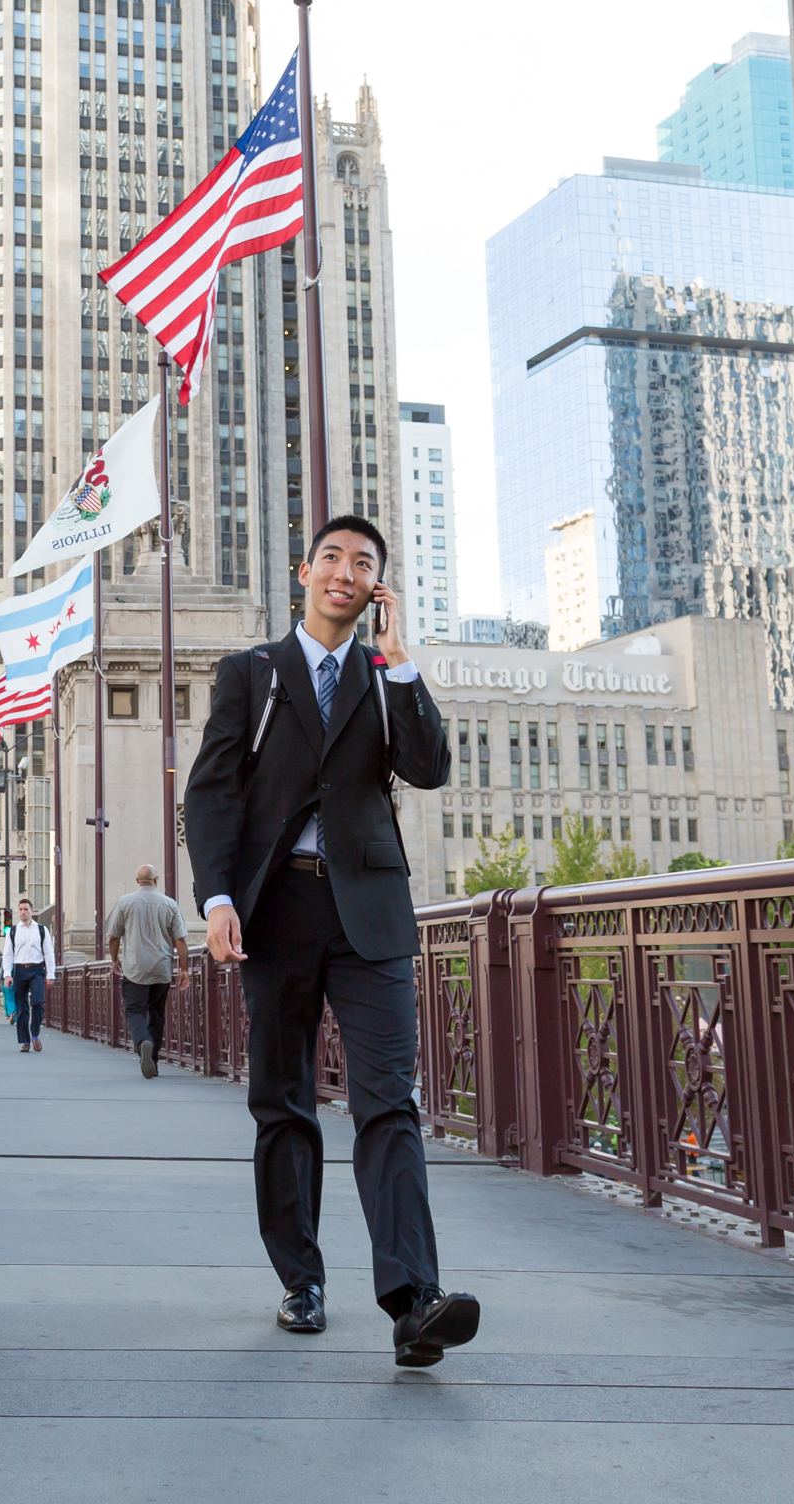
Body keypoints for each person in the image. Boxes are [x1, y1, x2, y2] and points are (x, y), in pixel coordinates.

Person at [184, 515, 479, 1368]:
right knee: (283, 1102)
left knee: (389, 1099)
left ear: (376, 588)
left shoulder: (383, 675)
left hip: (371, 913)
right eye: (333, 560)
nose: (346, 573)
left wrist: (401, 657)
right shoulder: (253, 676)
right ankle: (301, 1280)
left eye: (365, 566)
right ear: (303, 572)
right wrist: (216, 900)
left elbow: (428, 767)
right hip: (273, 914)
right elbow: (212, 796)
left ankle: (413, 1299)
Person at [107, 865, 190, 1079]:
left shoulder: (125, 902)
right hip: (162, 968)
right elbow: (180, 940)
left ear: (137, 880)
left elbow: (113, 937)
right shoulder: (170, 904)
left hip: (135, 968)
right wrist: (184, 969)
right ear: (157, 879)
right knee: (157, 1014)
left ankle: (143, 1042)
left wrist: (114, 960)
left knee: (134, 1011)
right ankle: (152, 1059)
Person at [1, 895, 56, 1053]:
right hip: (19, 970)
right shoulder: (13, 931)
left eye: (26, 909)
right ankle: (24, 1041)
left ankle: (35, 1035)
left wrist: (50, 974)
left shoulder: (41, 930)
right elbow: (7, 954)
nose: (23, 912)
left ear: (32, 911)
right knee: (21, 1007)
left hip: (37, 969)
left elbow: (49, 953)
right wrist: (7, 974)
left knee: (38, 1002)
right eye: (20, 910)